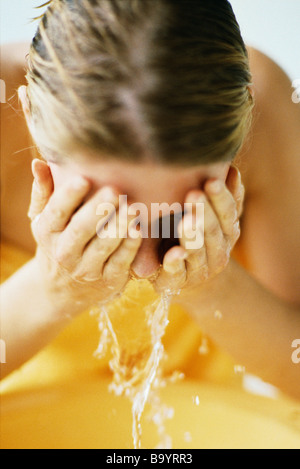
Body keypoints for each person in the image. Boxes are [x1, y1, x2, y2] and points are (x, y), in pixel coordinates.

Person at [1, 0, 300, 449]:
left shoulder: (271, 104)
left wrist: (211, 287)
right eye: (102, 219)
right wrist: (53, 287)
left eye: (176, 221)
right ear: (28, 118)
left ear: (245, 126)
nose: (142, 271)